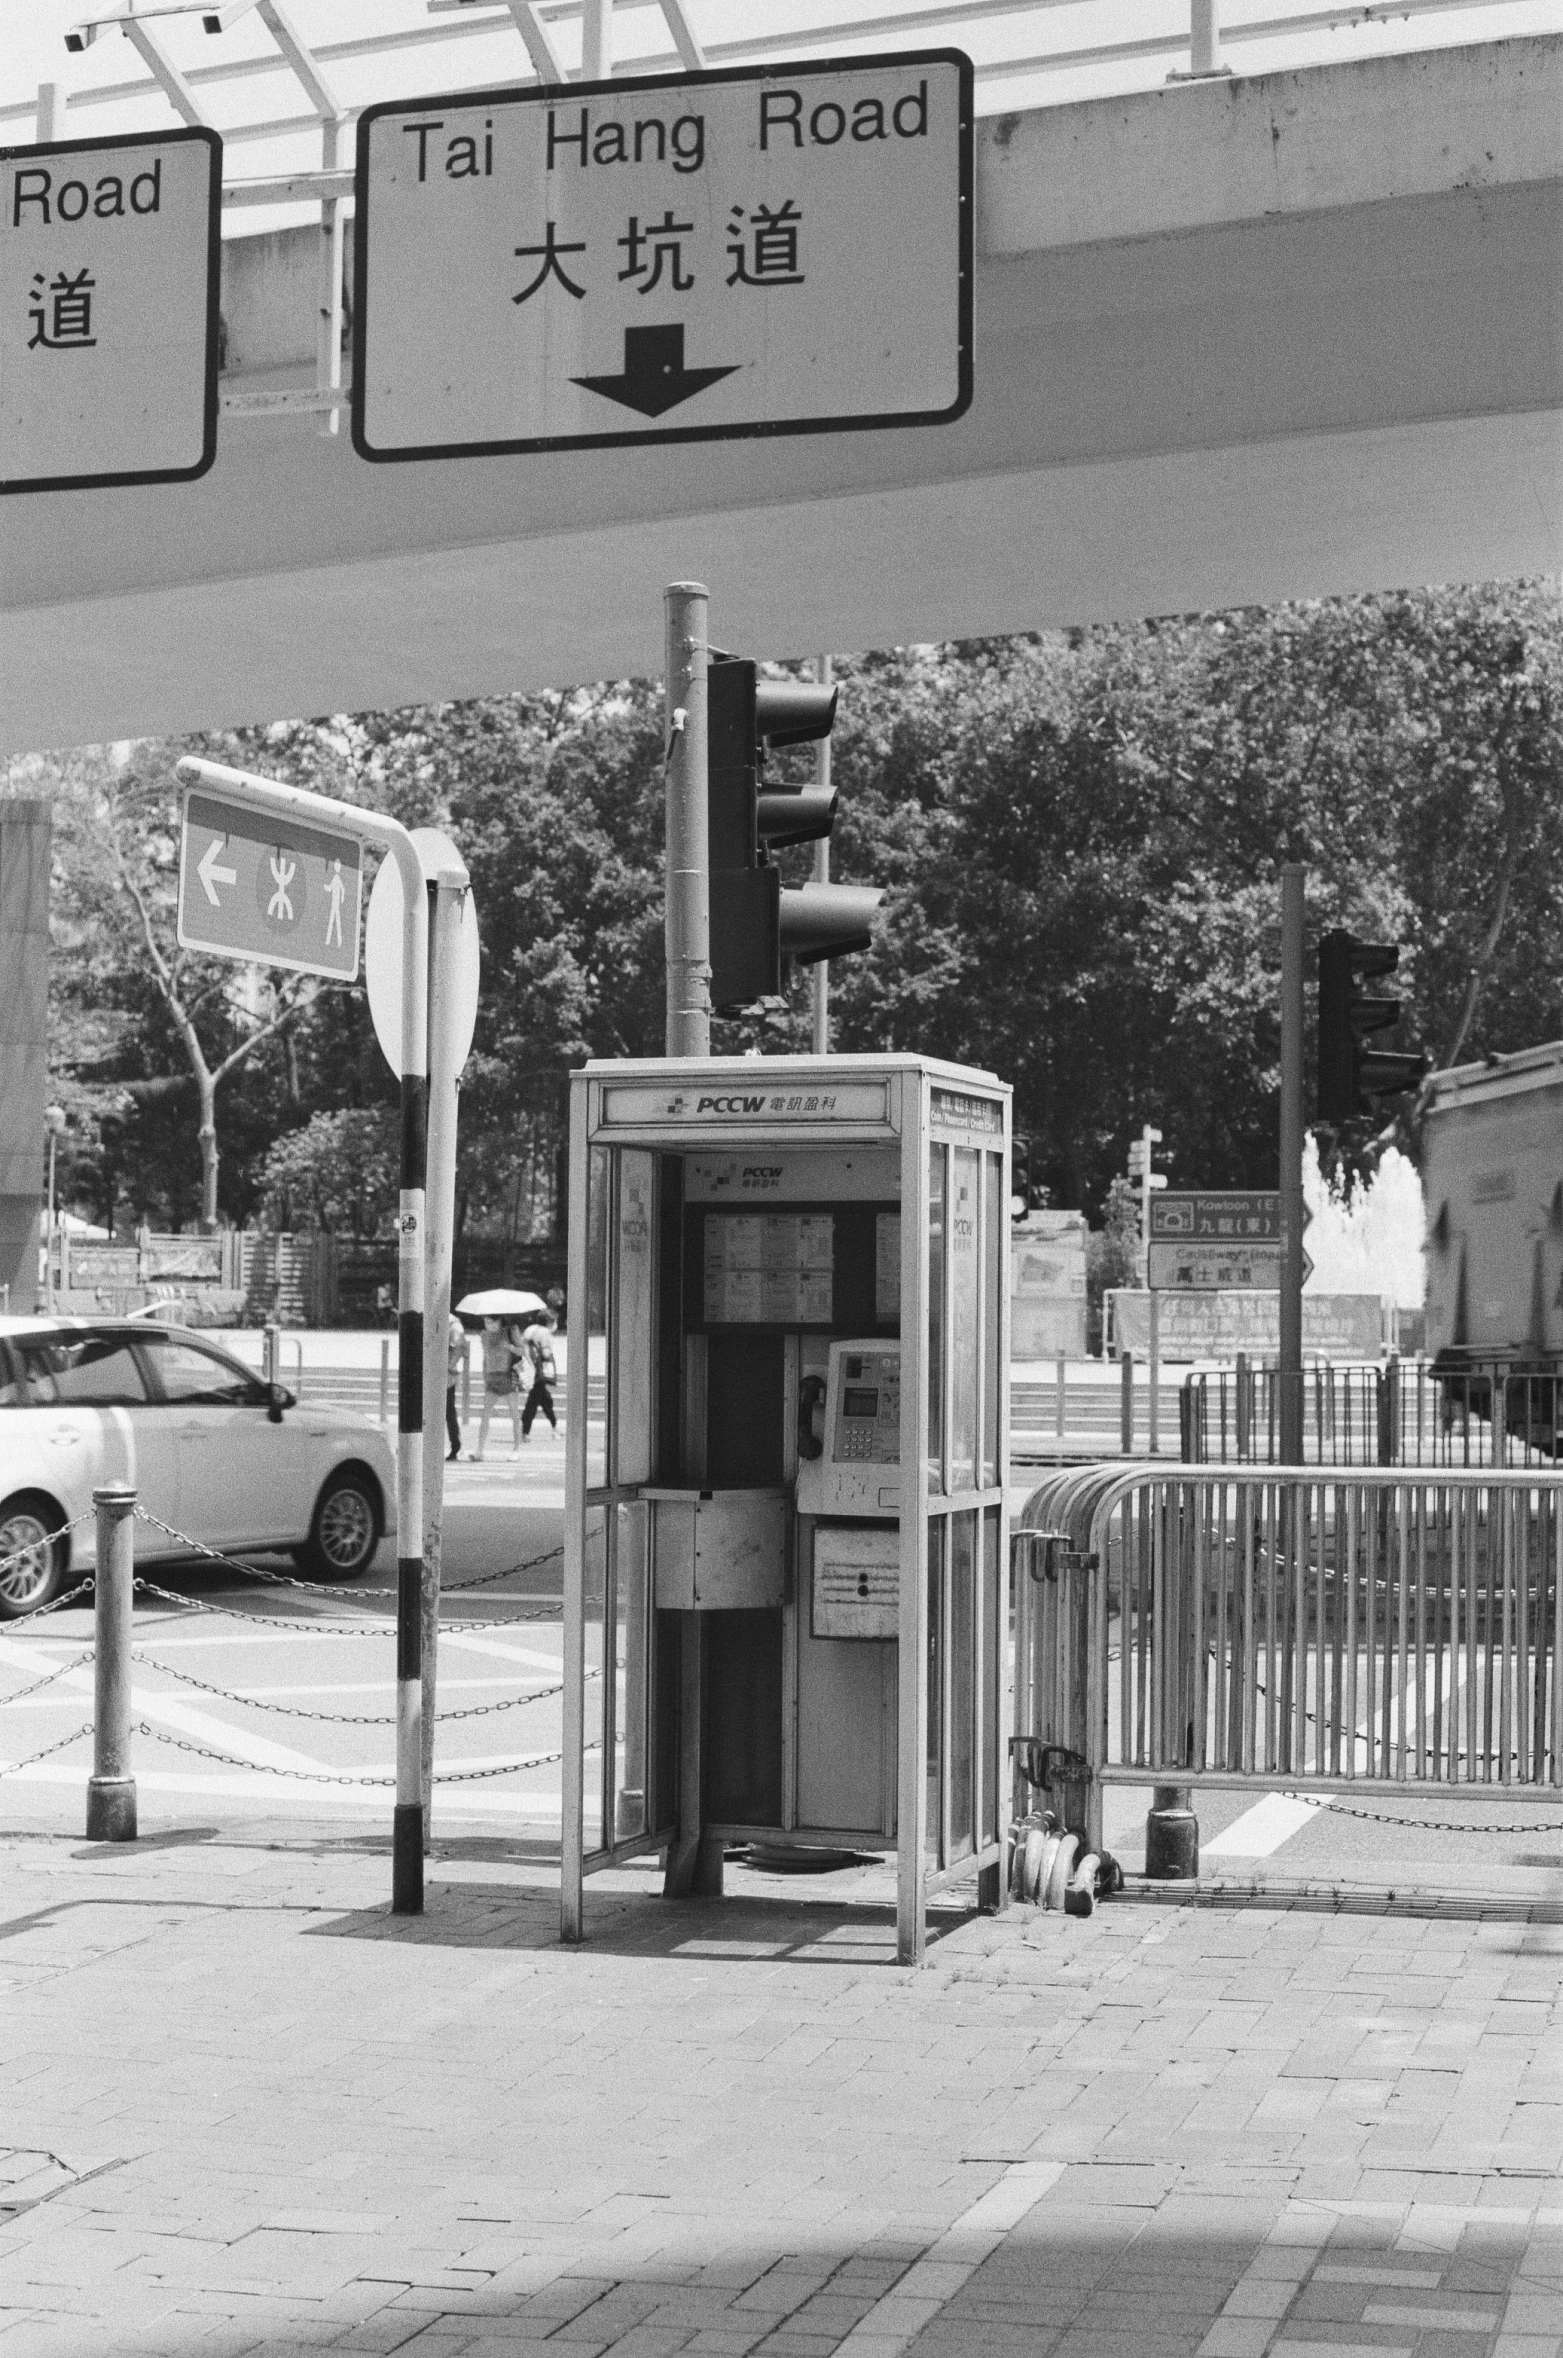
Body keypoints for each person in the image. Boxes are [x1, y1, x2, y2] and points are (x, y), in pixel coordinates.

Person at [474, 1316, 523, 1460]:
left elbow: (522, 1351)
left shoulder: (510, 1331)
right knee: (485, 1414)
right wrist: (484, 1375)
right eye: (487, 1322)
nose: (490, 1325)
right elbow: (485, 1356)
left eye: (493, 1322)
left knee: (514, 1414)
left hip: (508, 1376)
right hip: (492, 1377)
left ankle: (516, 1449)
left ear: (500, 1321)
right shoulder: (484, 1335)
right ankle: (480, 1449)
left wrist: (511, 1347)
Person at [519, 1312, 558, 1440]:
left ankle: (554, 1425)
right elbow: (546, 1354)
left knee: (545, 1399)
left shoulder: (529, 1329)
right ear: (548, 1322)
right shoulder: (545, 1333)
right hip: (539, 1371)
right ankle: (525, 1431)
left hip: (528, 1368)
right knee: (533, 1402)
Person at [445, 1312, 467, 1462]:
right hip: (431, 1372)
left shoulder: (454, 1325)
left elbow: (460, 1348)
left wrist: (449, 1365)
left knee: (448, 1412)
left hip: (446, 1376)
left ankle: (456, 1446)